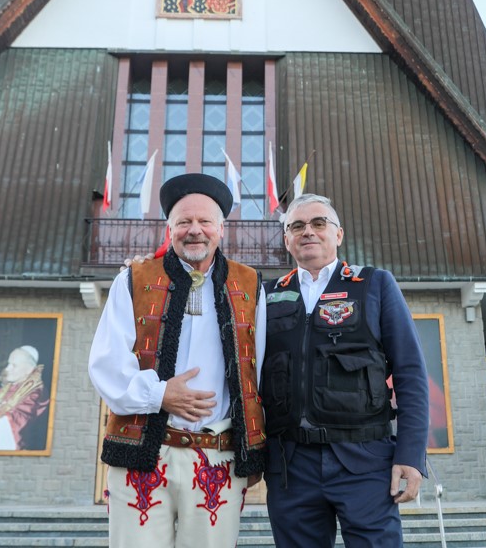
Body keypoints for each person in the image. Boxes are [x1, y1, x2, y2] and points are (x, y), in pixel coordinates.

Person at [89, 173, 266, 547]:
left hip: (218, 458)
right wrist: (159, 395)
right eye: (184, 222)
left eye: (205, 221)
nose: (195, 230)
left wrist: (253, 451)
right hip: (143, 455)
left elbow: (257, 372)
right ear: (169, 229)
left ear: (221, 229)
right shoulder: (134, 279)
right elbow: (106, 362)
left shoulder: (250, 284)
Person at [261, 193, 429, 548]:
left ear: (338, 234)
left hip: (365, 460)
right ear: (287, 240)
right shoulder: (266, 296)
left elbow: (410, 371)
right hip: (291, 466)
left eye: (319, 223)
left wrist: (411, 456)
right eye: (297, 226)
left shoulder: (374, 284)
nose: (308, 231)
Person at [0, 345, 49, 450]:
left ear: (29, 370)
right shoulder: (9, 386)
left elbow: (19, 424)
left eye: (14, 365)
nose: (7, 368)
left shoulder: (36, 391)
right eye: (8, 364)